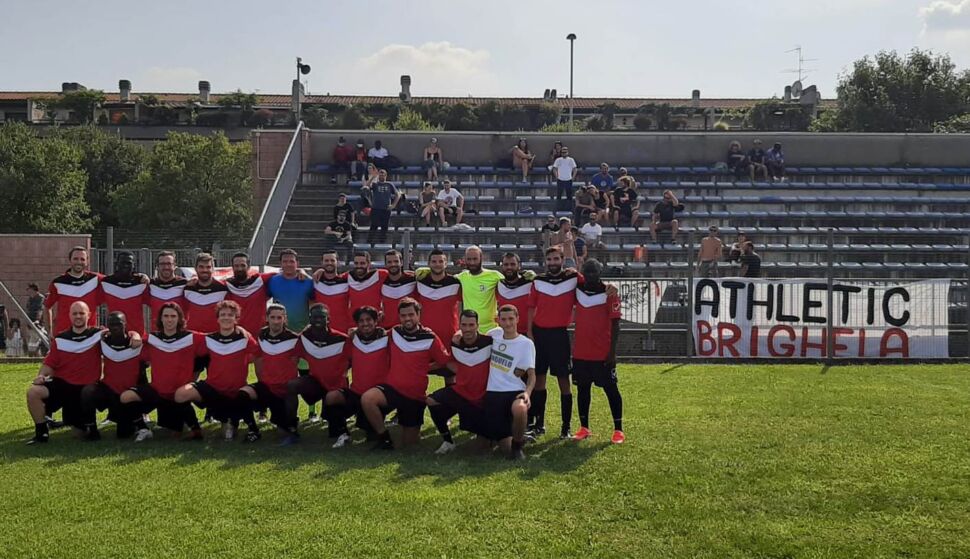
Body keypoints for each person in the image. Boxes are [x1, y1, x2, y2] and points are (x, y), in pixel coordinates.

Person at [360, 298, 450, 450]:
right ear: (399, 317)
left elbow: (443, 361)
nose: (407, 318)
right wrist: (355, 331)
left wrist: (423, 368)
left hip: (414, 396)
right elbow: (373, 334)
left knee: (409, 445)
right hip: (392, 389)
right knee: (367, 399)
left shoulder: (430, 337)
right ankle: (384, 438)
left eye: (411, 315)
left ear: (418, 315)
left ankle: (411, 427)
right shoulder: (394, 332)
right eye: (403, 315)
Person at [174, 300, 261, 442]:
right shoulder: (208, 339)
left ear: (236, 318)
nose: (226, 317)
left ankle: (235, 422)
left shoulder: (244, 338)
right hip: (213, 390)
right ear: (217, 318)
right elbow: (182, 337)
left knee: (228, 434)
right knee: (181, 394)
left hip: (236, 391)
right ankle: (195, 430)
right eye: (223, 314)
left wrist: (246, 332)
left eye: (230, 315)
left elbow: (259, 353)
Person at [119, 302, 205, 442]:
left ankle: (195, 429)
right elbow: (135, 338)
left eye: (173, 316)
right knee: (126, 397)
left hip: (179, 395)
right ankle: (143, 429)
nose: (169, 319)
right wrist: (134, 334)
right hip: (157, 392)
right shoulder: (152, 338)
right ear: (160, 319)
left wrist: (239, 329)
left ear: (179, 319)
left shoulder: (192, 337)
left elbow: (217, 338)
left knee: (174, 433)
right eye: (166, 316)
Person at [25, 302, 103, 444]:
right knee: (33, 392)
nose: (78, 316)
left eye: (81, 313)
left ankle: (86, 426)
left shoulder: (98, 335)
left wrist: (133, 335)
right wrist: (41, 376)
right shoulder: (61, 338)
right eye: (74, 313)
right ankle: (41, 433)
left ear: (89, 315)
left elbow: (121, 332)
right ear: (69, 316)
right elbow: (50, 364)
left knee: (78, 434)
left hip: (84, 390)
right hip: (63, 385)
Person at [527, 247, 580, 439]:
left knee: (564, 382)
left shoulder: (573, 279)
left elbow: (591, 284)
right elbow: (531, 307)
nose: (552, 262)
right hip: (540, 335)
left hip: (559, 335)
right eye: (549, 259)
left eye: (556, 259)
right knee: (539, 380)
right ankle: (539, 424)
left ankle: (566, 427)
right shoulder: (538, 281)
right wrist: (530, 332)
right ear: (546, 261)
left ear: (562, 259)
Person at [571, 259, 624, 444]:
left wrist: (612, 352)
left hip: (602, 353)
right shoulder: (577, 289)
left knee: (611, 390)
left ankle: (618, 430)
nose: (591, 276)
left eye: (594, 272)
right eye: (587, 272)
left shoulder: (609, 293)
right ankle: (584, 427)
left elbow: (616, 324)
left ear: (600, 272)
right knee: (583, 390)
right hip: (580, 353)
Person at [320, 306, 388, 448]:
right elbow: (344, 360)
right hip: (356, 392)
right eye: (361, 321)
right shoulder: (352, 339)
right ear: (356, 324)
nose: (365, 323)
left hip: (376, 396)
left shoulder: (388, 338)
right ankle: (342, 433)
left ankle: (379, 431)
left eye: (369, 320)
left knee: (371, 436)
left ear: (376, 321)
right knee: (331, 397)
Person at [427, 309, 493, 454]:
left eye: (471, 325)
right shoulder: (456, 343)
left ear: (477, 325)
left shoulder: (489, 342)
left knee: (483, 447)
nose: (467, 329)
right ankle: (448, 441)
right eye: (464, 325)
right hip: (461, 392)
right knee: (431, 400)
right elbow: (448, 362)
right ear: (460, 326)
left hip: (484, 395)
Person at [284, 304, 350, 443]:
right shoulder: (305, 337)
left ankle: (338, 421)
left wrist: (344, 372)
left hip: (336, 387)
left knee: (334, 433)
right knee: (291, 385)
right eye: (314, 317)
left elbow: (355, 359)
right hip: (316, 383)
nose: (318, 320)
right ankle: (291, 427)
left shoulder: (342, 339)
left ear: (328, 319)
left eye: (322, 317)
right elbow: (293, 359)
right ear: (309, 319)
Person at [266, 248, 317, 420]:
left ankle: (312, 411)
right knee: (281, 376)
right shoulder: (272, 281)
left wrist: (309, 327)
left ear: (297, 264)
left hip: (302, 334)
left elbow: (312, 303)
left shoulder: (307, 282)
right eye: (285, 261)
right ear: (280, 264)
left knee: (306, 374)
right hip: (281, 336)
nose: (288, 264)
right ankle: (273, 411)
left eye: (292, 261)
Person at [80, 311, 143, 440]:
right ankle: (92, 430)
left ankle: (135, 423)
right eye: (112, 324)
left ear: (125, 324)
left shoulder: (136, 343)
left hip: (126, 395)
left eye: (119, 324)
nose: (115, 327)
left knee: (123, 434)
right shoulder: (103, 341)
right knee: (88, 391)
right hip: (108, 390)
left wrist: (135, 335)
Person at [484, 304, 535, 460]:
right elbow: (473, 338)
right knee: (502, 448)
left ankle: (518, 446)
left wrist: (527, 393)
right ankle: (514, 437)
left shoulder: (526, 344)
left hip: (514, 391)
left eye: (511, 319)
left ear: (518, 319)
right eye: (504, 319)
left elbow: (532, 375)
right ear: (498, 320)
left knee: (520, 409)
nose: (508, 323)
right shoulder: (493, 335)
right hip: (493, 392)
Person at [240, 304, 299, 438]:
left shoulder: (295, 339)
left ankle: (290, 421)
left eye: (280, 317)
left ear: (285, 319)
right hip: (266, 387)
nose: (276, 321)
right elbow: (257, 358)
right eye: (273, 317)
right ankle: (253, 430)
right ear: (267, 318)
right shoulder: (261, 335)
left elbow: (299, 360)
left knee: (283, 433)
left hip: (284, 391)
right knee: (243, 394)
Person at [415, 249, 462, 358]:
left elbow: (463, 306)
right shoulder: (420, 282)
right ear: (428, 264)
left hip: (450, 335)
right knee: (423, 371)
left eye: (441, 261)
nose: (437, 264)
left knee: (450, 372)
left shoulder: (455, 282)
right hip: (425, 335)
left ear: (446, 264)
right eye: (434, 261)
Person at [45, 246, 102, 334]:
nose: (79, 262)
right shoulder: (58, 282)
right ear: (70, 260)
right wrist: (50, 331)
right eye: (75, 259)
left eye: (82, 259)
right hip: (64, 337)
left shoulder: (96, 279)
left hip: (89, 338)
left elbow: (116, 284)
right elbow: (47, 306)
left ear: (87, 261)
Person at [453, 246, 506, 333]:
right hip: (469, 330)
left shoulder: (495, 276)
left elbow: (512, 281)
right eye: (469, 259)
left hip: (491, 330)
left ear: (481, 258)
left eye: (475, 259)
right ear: (465, 260)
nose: (472, 262)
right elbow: (441, 277)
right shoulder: (461, 277)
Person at [225, 252, 274, 335]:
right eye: (236, 266)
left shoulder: (261, 280)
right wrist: (195, 280)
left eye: (243, 265)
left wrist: (301, 271)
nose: (239, 269)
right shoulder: (226, 284)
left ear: (249, 266)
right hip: (236, 336)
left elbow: (286, 273)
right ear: (232, 267)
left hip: (260, 336)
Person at [183, 252, 228, 333]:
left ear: (213, 269)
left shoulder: (224, 288)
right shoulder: (187, 288)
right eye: (201, 267)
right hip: (193, 337)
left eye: (208, 267)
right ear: (195, 268)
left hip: (216, 337)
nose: (205, 270)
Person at [312, 251, 353, 335]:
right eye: (326, 261)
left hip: (342, 331)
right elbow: (298, 273)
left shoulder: (347, 280)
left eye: (332, 260)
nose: (329, 263)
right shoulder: (315, 280)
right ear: (322, 263)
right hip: (320, 330)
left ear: (337, 262)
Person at [496, 253, 533, 336]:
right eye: (506, 264)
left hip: (527, 333)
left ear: (519, 266)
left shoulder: (531, 283)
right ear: (502, 266)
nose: (509, 267)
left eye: (512, 264)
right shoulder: (498, 284)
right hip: (505, 334)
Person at [147, 251, 187, 326]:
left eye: (169, 264)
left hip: (180, 334)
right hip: (157, 334)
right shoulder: (150, 284)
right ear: (157, 266)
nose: (166, 267)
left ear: (174, 265)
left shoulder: (185, 284)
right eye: (162, 264)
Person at [380, 250, 417, 329]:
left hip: (408, 327)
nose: (393, 264)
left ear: (402, 262)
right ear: (385, 264)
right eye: (389, 262)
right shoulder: (380, 280)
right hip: (387, 328)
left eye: (396, 261)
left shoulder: (413, 279)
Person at [362, 168, 401, 243]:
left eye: (383, 175)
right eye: (380, 175)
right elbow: (366, 186)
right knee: (373, 226)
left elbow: (398, 194)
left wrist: (393, 205)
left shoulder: (389, 184)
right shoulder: (375, 184)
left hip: (386, 209)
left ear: (386, 176)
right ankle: (369, 242)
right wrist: (373, 177)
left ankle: (382, 242)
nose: (381, 176)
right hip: (376, 208)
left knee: (384, 227)